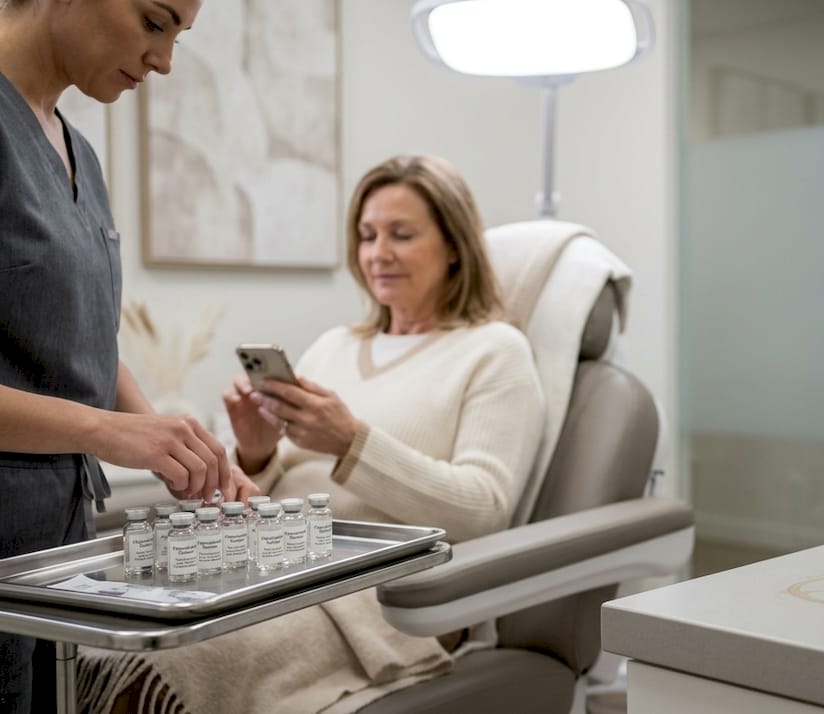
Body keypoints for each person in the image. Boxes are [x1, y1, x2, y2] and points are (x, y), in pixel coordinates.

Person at [77, 155, 546, 713]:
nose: (378, 253)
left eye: (402, 235)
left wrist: (352, 442)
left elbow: (484, 510)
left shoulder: (495, 352)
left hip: (382, 590)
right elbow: (276, 490)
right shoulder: (335, 346)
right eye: (367, 236)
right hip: (278, 562)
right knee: (98, 648)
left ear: (454, 246)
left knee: (163, 669)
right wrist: (257, 452)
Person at [0, 1, 257, 710]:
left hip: (53, 551)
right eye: (153, 21)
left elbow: (82, 341)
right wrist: (105, 431)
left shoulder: (77, 152)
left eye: (179, 35)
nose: (165, 61)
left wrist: (174, 447)